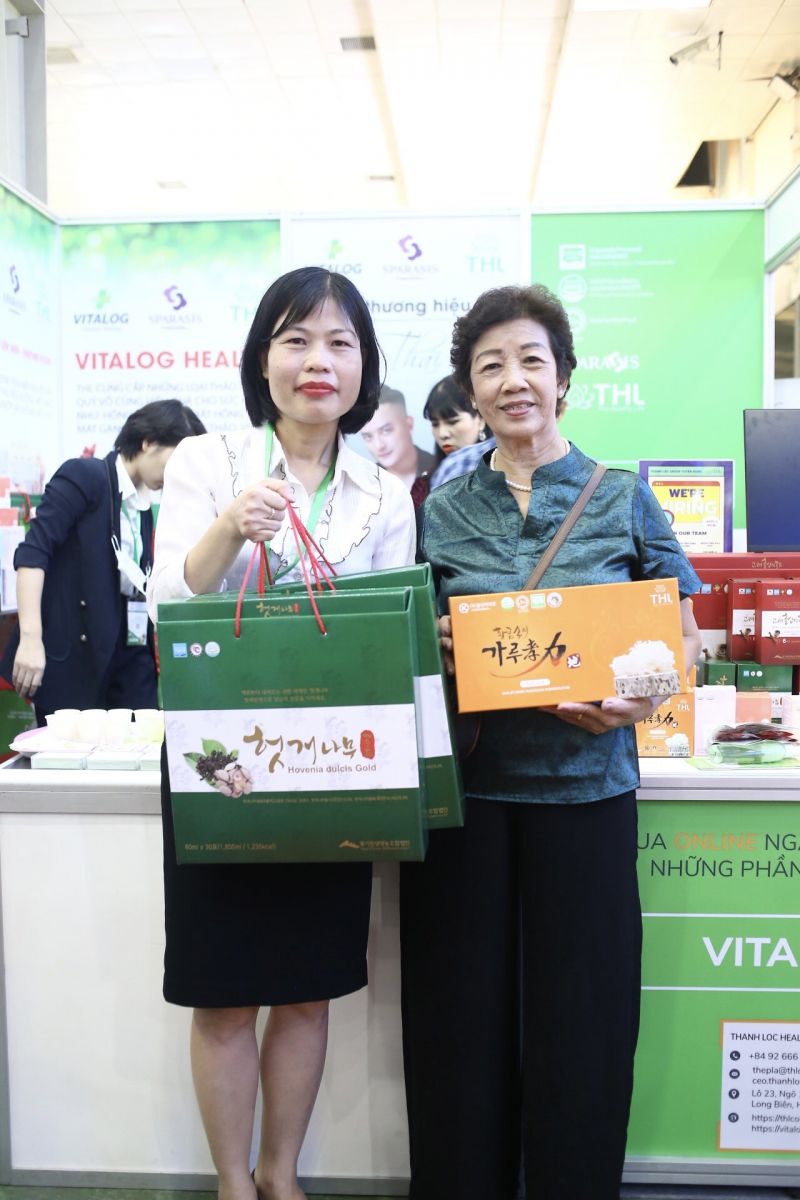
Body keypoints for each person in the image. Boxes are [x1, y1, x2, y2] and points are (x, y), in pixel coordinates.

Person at [399, 284, 702, 1200]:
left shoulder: (622, 497)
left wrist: (637, 700)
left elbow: (681, 638)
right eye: (490, 365)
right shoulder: (442, 508)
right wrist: (434, 641)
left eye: (531, 359)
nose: (513, 380)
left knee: (585, 1020)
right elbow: (409, 638)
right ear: (472, 390)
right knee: (459, 1023)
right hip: (469, 797)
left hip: (588, 792)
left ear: (563, 378)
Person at [148, 266, 416, 1200]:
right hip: (220, 763)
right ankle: (233, 1183)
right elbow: (168, 603)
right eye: (296, 340)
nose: (317, 361)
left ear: (364, 366)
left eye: (340, 343)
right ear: (262, 359)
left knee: (306, 988)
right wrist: (231, 527)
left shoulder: (385, 492)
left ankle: (281, 1176)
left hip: (330, 765)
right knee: (224, 992)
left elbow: (389, 639)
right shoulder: (207, 461)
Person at [2, 399, 206, 723]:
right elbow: (33, 554)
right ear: (148, 442)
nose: (177, 476)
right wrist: (30, 638)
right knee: (72, 750)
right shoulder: (85, 476)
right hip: (75, 659)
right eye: (176, 461)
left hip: (128, 655)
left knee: (143, 744)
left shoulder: (142, 504)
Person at [412, 374, 491, 506]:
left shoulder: (506, 475)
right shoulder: (421, 488)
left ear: (481, 419)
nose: (442, 434)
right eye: (435, 424)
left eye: (452, 422)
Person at [360, 384, 436, 489]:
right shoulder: (363, 484)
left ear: (409, 424)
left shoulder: (441, 471)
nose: (379, 445)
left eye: (386, 430)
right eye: (368, 437)